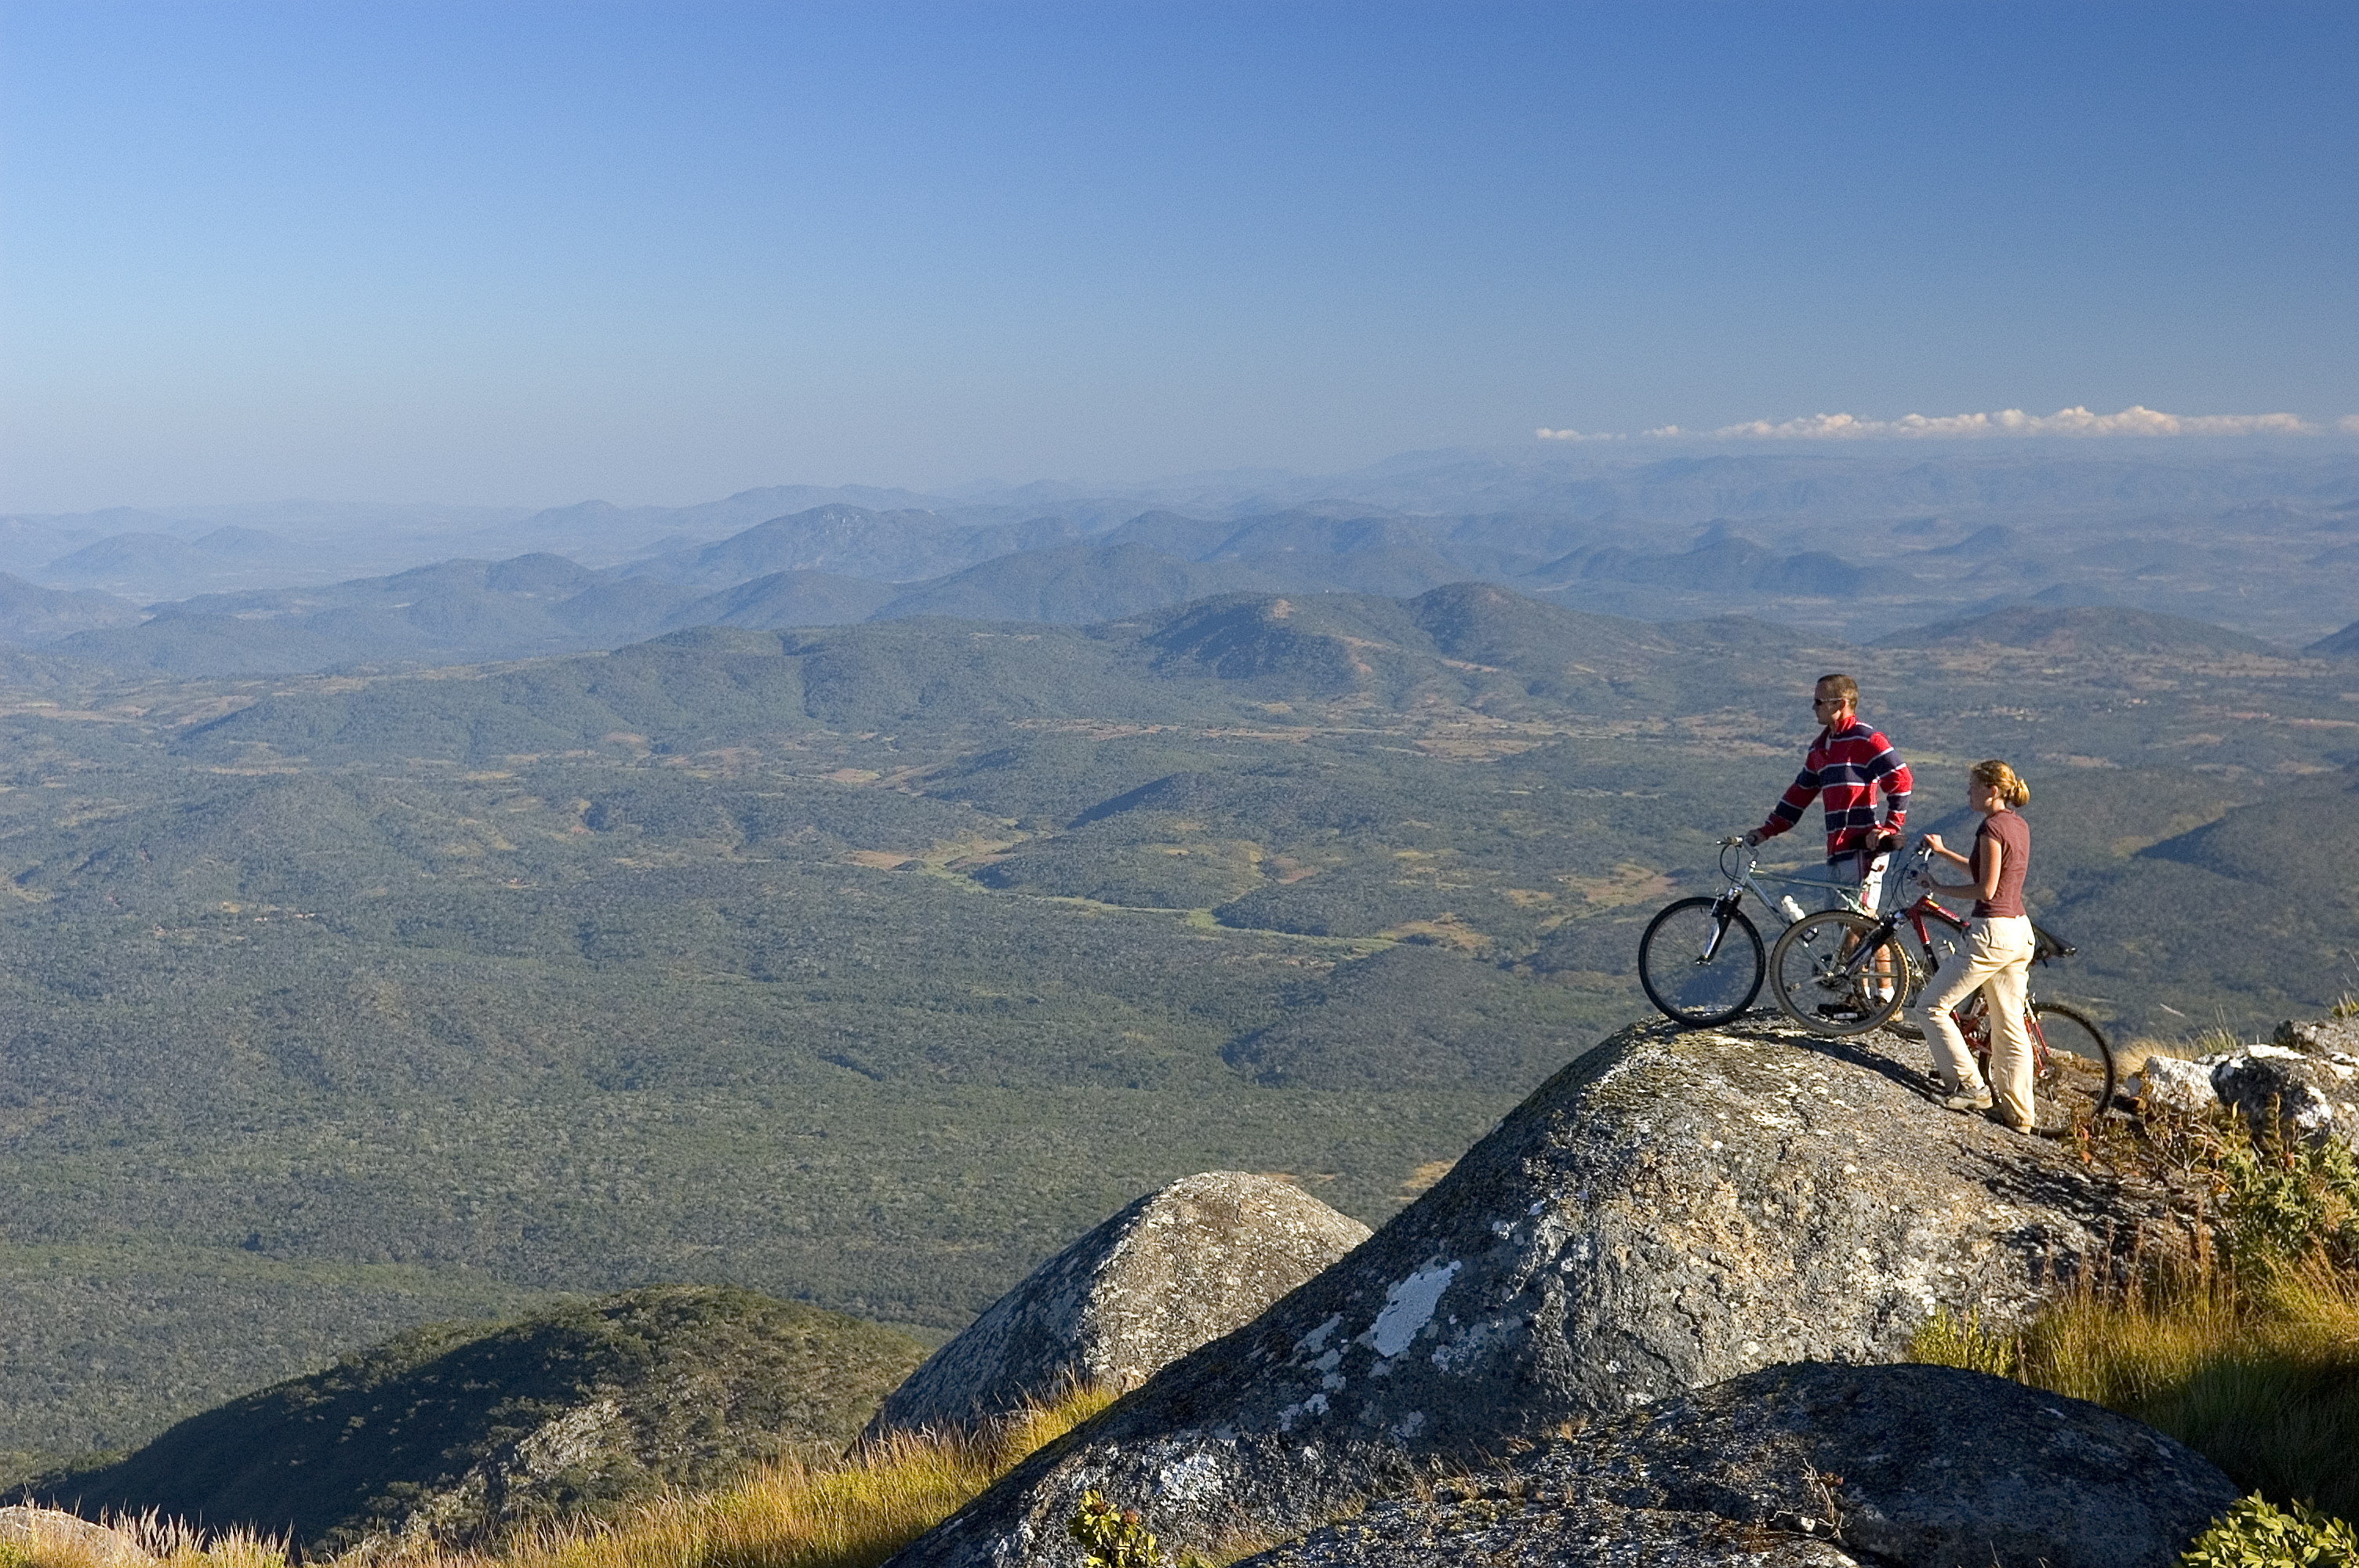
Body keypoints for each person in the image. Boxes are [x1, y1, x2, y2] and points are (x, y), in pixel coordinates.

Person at [1918, 760, 2037, 1132]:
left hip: (1992, 933)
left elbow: (1985, 889)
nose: (1968, 792)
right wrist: (1943, 853)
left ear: (1992, 790)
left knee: (1932, 1007)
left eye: (1972, 787)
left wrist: (1936, 888)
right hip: (2019, 932)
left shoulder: (1989, 827)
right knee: (2010, 1025)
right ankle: (2020, 1115)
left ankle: (1970, 1086)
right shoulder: (2016, 825)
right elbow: (1987, 872)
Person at [1743, 673, 1913, 913]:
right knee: (1852, 929)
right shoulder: (1820, 747)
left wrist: (1890, 827)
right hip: (1837, 850)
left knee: (1855, 928)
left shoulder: (1867, 739)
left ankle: (1891, 952)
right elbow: (1800, 794)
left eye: (1819, 702)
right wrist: (1766, 830)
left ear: (1841, 704)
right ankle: (1890, 952)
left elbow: (1901, 779)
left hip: (1862, 850)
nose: (1814, 708)